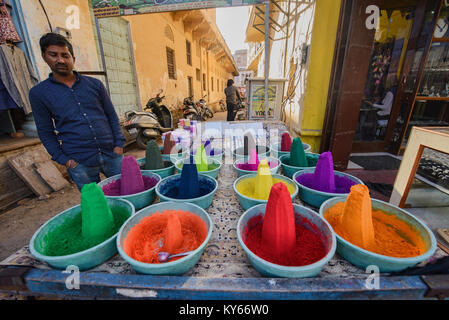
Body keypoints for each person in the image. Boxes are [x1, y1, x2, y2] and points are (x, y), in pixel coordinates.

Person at [29, 33, 125, 191]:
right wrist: (64, 160)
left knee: (126, 192)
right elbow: (45, 131)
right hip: (79, 161)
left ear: (72, 58)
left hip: (111, 154)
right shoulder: (39, 93)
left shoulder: (95, 85)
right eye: (53, 55)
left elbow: (111, 116)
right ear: (44, 56)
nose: (60, 60)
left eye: (65, 55)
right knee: (94, 204)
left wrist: (119, 145)